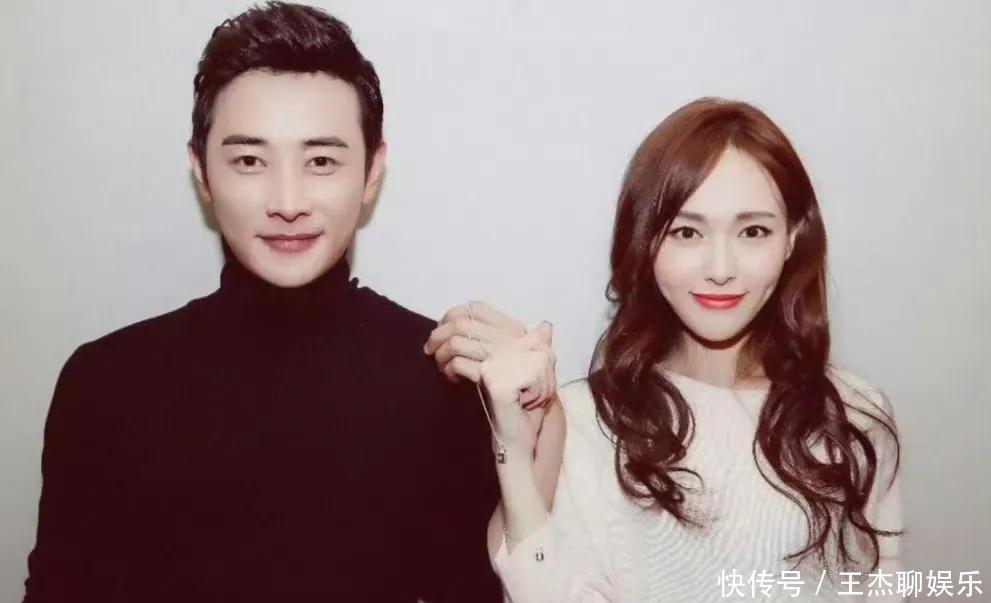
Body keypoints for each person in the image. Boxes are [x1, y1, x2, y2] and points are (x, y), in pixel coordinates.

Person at [24, 3, 502, 601]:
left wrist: (529, 431)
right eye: (250, 161)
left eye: (321, 161)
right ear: (201, 171)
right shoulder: (103, 383)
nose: (287, 202)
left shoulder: (446, 378)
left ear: (372, 172)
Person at [426, 98, 904, 602]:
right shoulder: (583, 423)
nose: (720, 269)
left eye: (753, 231)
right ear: (647, 242)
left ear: (792, 238)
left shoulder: (854, 415)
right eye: (687, 231)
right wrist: (517, 452)